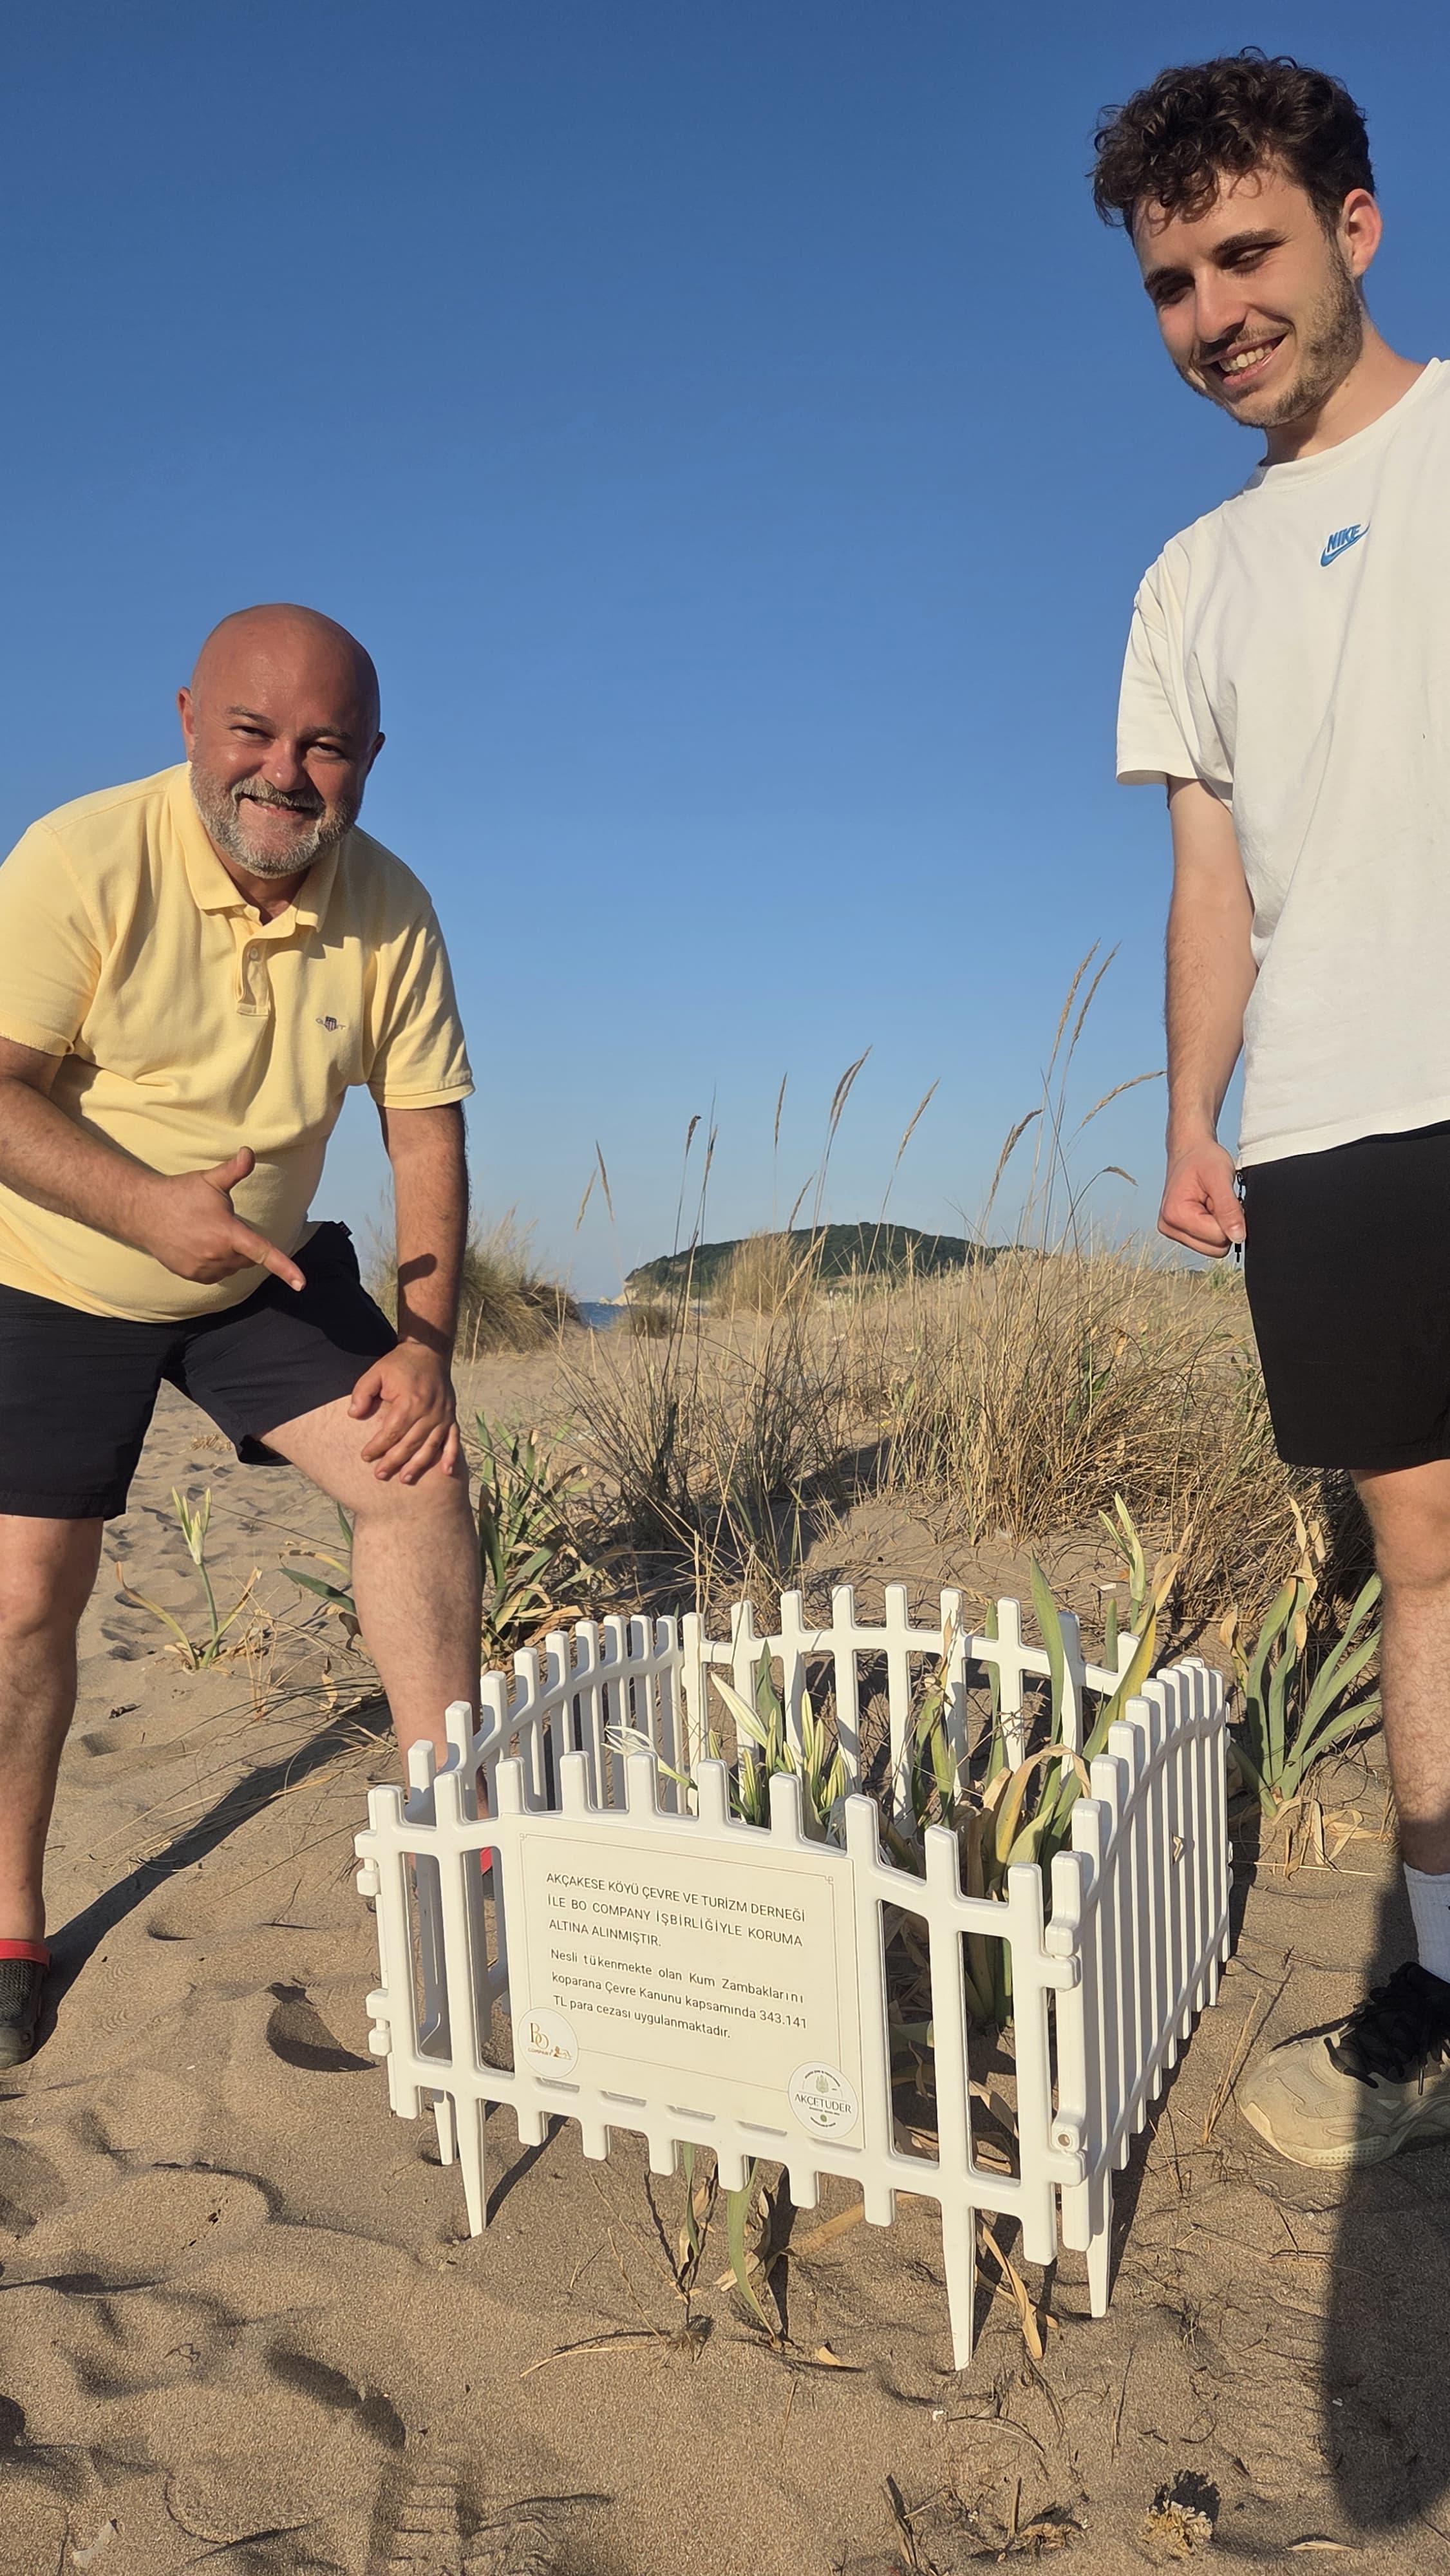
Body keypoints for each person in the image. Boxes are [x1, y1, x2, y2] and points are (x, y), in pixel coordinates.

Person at [1095, 50, 1450, 2167]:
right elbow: (1209, 878)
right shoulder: (1185, 581)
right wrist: (1190, 1114)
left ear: (1354, 227)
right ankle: (1442, 1973)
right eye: (1170, 280)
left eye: (1247, 253)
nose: (1213, 310)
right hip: (1327, 1114)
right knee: (1424, 1550)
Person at [0, 603, 483, 2068]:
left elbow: (425, 1134)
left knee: (418, 1472)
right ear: (189, 722)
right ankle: (11, 1923)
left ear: (373, 756)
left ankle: (452, 1855)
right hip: (53, 1267)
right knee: (26, 1597)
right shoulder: (82, 856)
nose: (285, 771)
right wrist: (144, 1208)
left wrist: (424, 1341)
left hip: (256, 1270)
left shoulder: (391, 906)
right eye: (253, 732)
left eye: (326, 744)